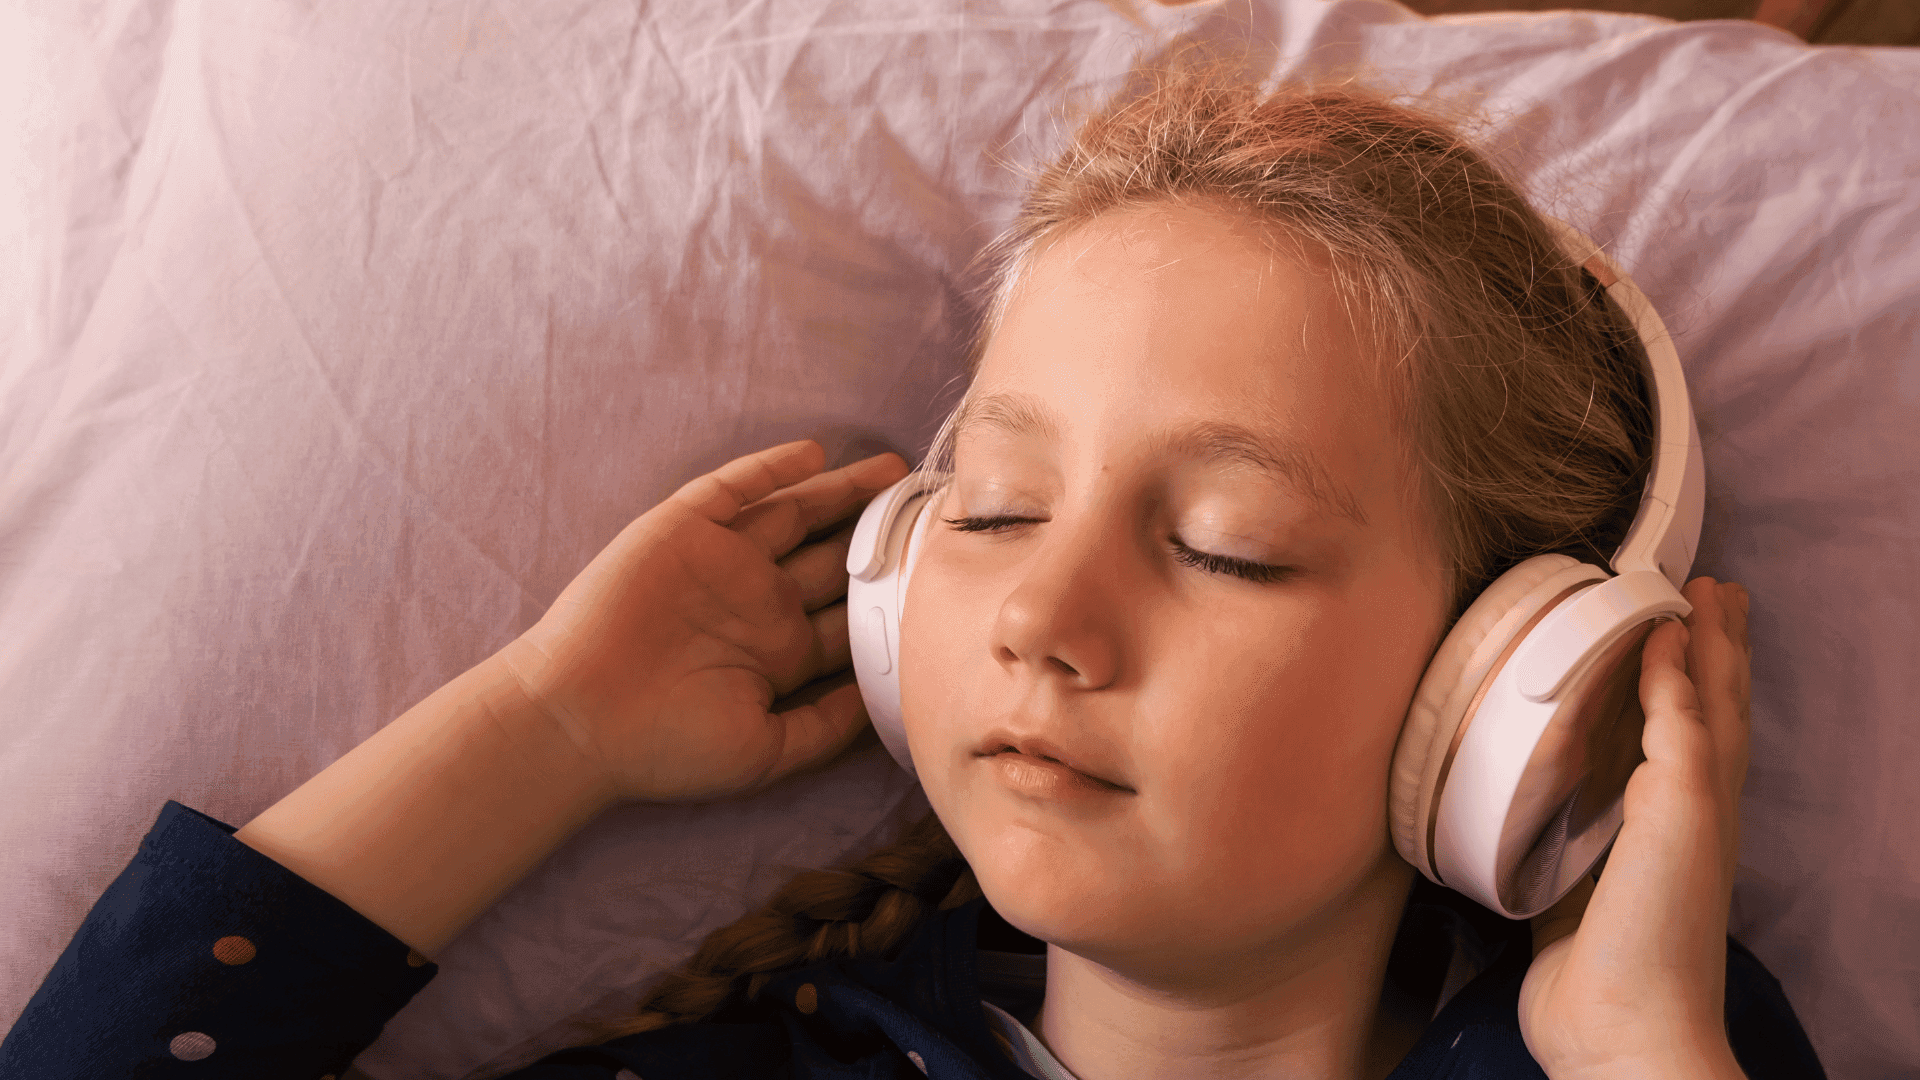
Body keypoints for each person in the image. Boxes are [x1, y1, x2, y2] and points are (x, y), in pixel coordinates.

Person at [0, 52, 1823, 1080]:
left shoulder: (1636, 1056)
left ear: (1505, 687)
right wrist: (549, 727)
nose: (1040, 616)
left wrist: (1643, 1044)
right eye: (1001, 506)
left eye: (1224, 549)